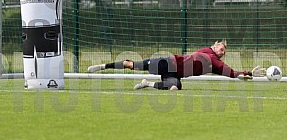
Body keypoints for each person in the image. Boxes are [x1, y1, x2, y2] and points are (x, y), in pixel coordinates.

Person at [87, 40, 266, 90]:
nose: (222, 51)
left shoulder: (217, 64)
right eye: (221, 48)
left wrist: (248, 72)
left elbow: (232, 73)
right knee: (131, 64)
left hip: (175, 73)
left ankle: (146, 84)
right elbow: (223, 67)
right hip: (166, 62)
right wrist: (242, 73)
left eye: (224, 51)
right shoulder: (207, 52)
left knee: (175, 86)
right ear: (214, 45)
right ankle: (103, 66)